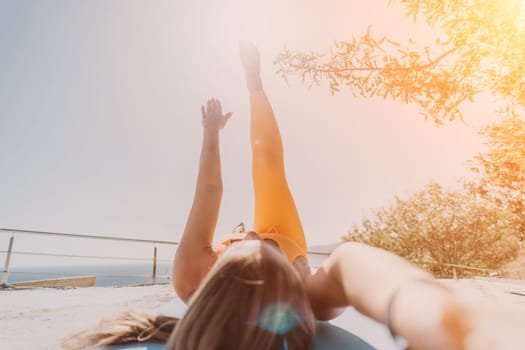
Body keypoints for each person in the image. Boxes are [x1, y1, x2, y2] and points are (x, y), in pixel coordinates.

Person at [64, 44, 525, 350]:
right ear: (292, 279)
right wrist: (438, 316)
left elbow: (209, 190)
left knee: (263, 176)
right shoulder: (306, 296)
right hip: (293, 239)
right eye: (269, 254)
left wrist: (209, 134)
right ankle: (256, 88)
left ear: (218, 271)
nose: (254, 235)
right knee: (269, 171)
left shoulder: (191, 277)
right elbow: (352, 265)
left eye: (244, 246)